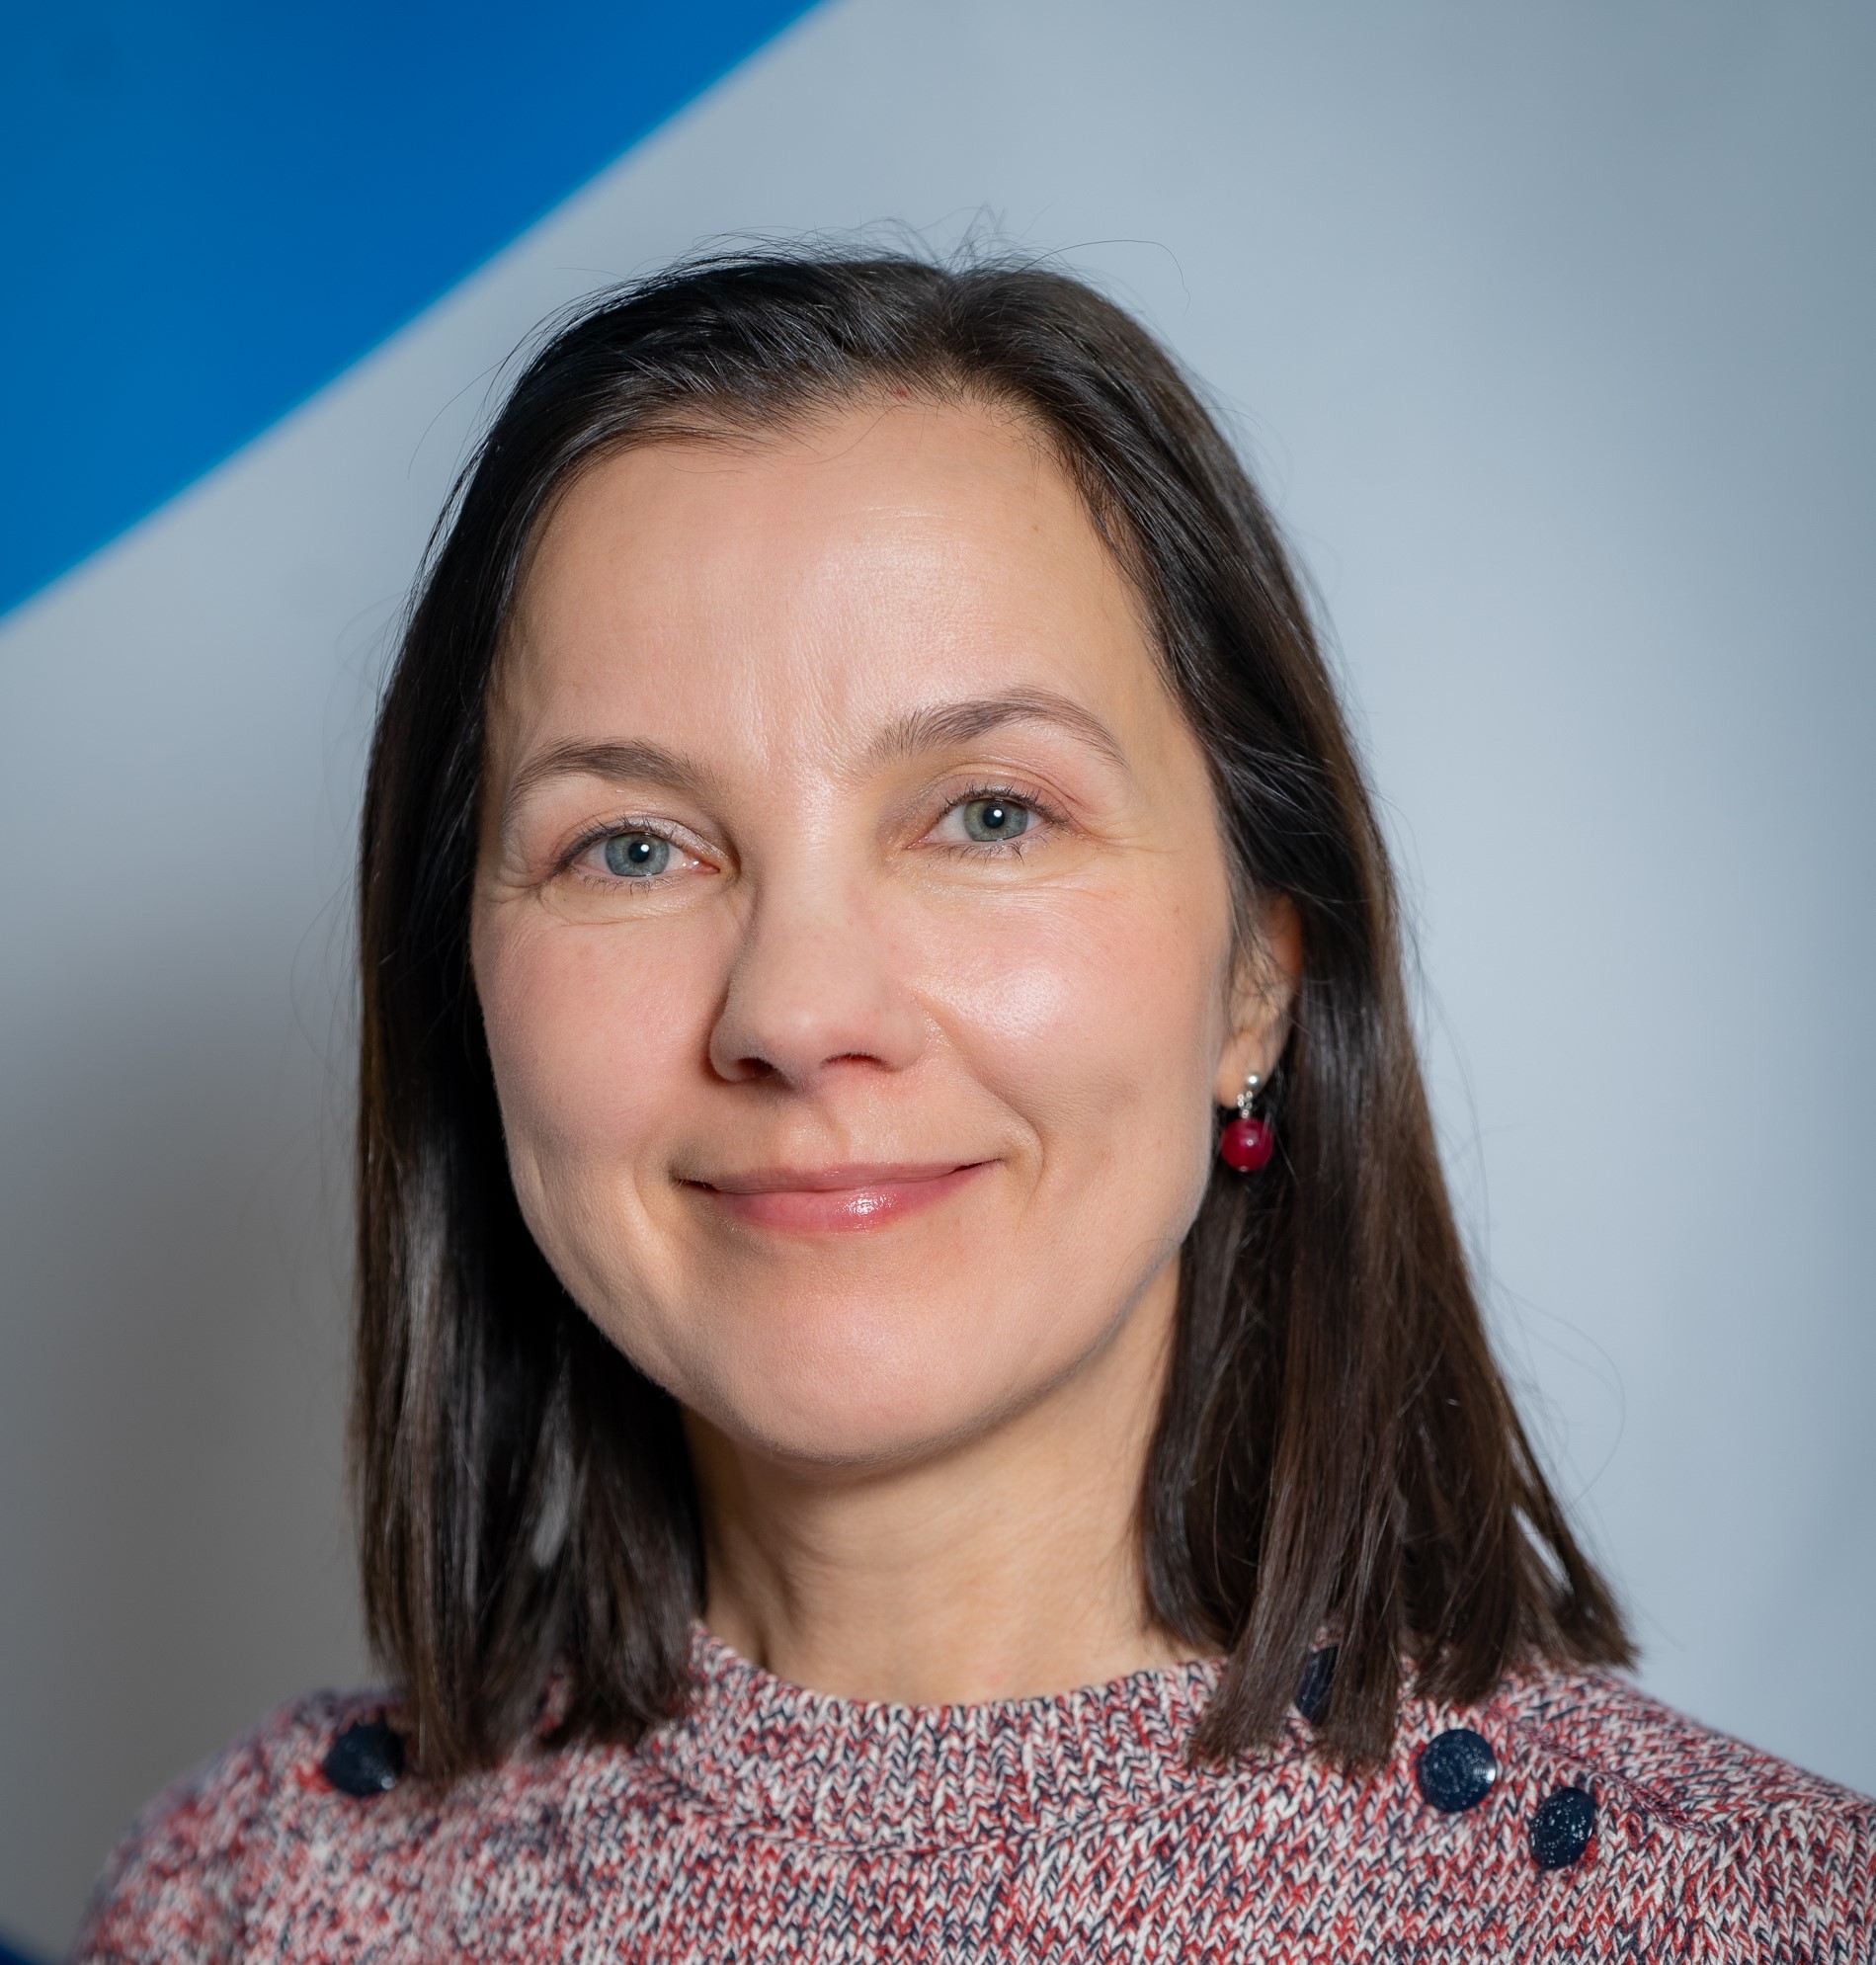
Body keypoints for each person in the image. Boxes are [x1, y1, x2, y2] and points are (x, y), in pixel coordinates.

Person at [75, 250, 1873, 1962]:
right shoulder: (241, 1904)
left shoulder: (1755, 1919)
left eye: (989, 815)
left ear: (1258, 974)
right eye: (631, 846)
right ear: (468, 985)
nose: (797, 1012)